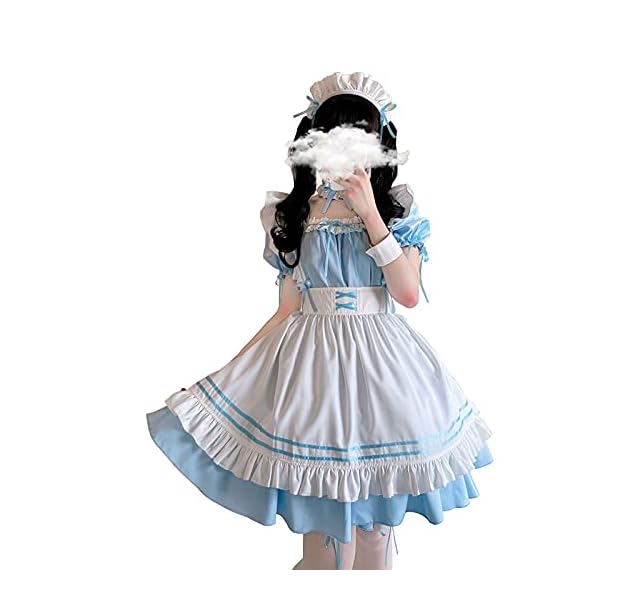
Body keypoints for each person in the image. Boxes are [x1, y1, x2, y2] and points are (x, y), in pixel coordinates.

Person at [146, 71, 494, 570]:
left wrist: (370, 212)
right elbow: (288, 308)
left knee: (374, 535)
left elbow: (407, 294)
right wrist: (226, 375)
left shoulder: (397, 209)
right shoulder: (292, 214)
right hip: (313, 371)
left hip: (383, 371)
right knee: (326, 539)